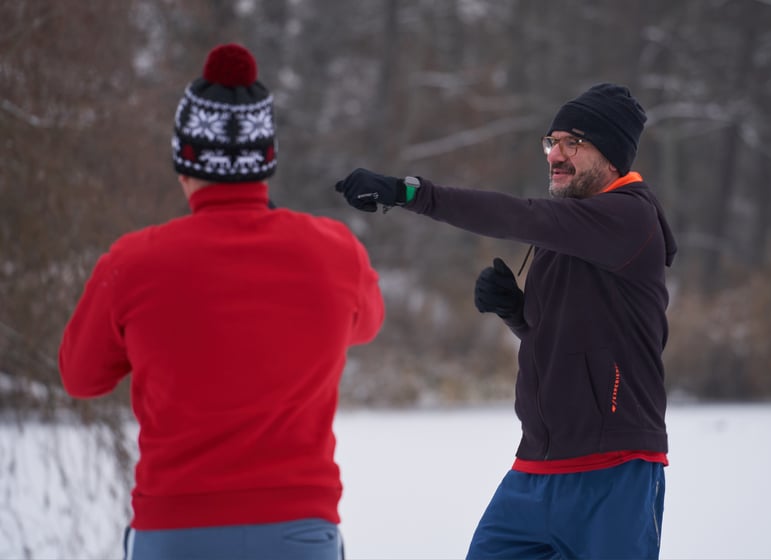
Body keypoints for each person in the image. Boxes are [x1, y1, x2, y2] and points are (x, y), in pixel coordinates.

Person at [59, 43, 384, 560]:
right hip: (299, 530)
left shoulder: (132, 262)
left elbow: (81, 376)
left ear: (184, 164)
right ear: (265, 162)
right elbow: (366, 324)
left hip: (174, 529)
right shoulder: (334, 250)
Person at [335, 83, 677, 559]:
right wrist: (518, 315)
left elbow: (520, 216)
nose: (555, 154)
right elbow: (577, 338)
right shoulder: (575, 225)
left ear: (612, 154)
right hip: (537, 466)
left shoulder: (628, 217)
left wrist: (412, 192)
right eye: (551, 142)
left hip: (613, 467)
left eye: (572, 143)